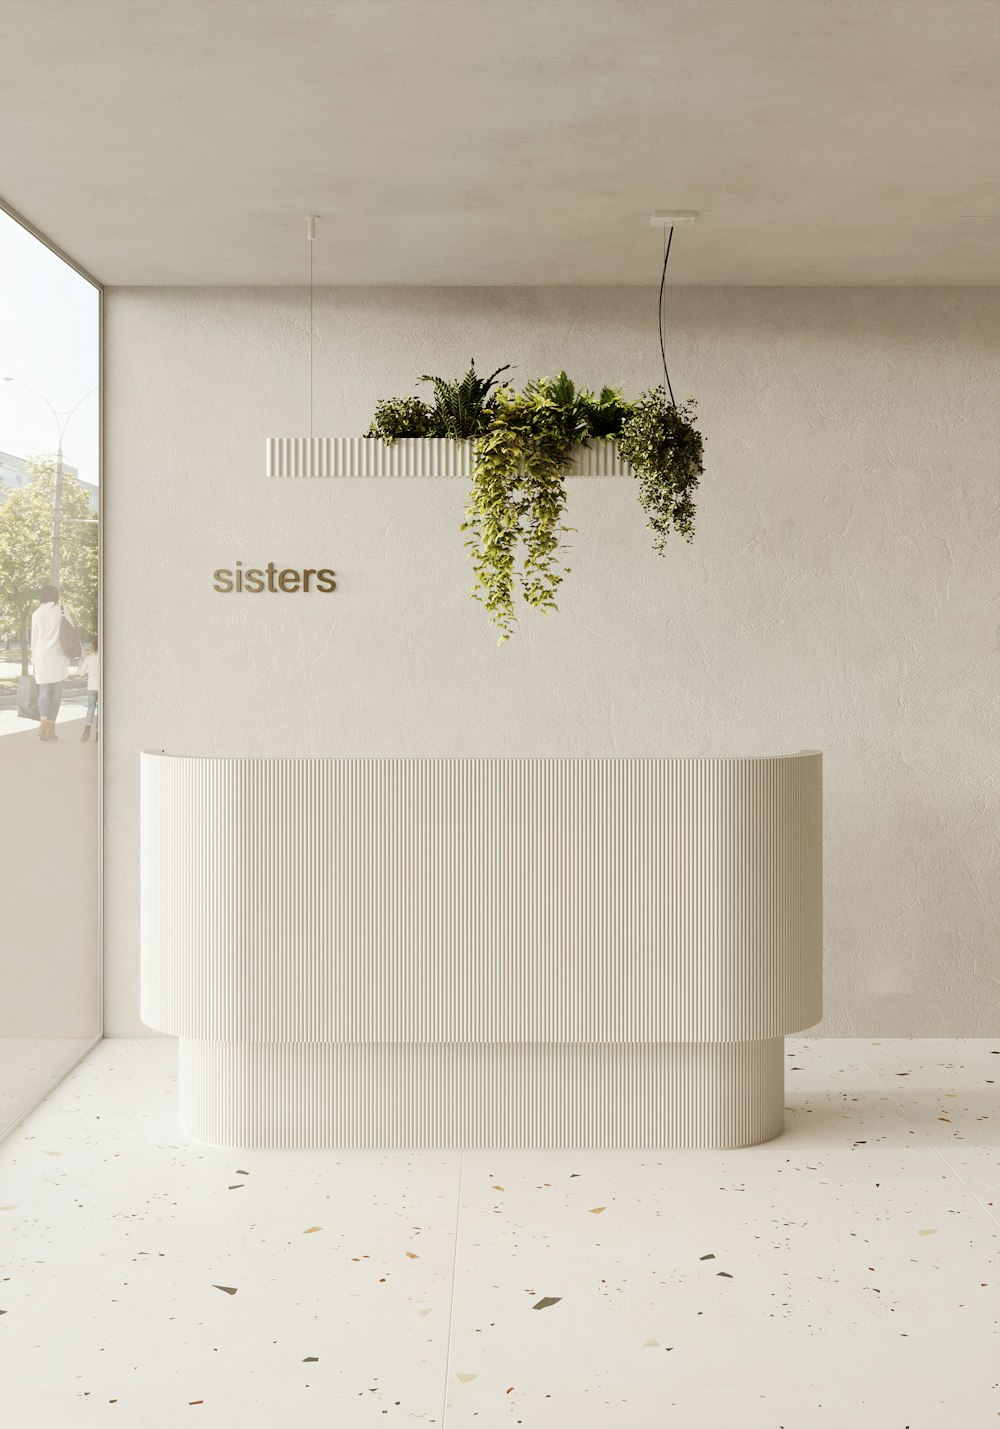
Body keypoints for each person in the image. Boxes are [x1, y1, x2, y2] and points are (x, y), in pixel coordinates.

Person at [30, 584, 73, 742]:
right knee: (56, 694)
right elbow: (71, 631)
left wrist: (34, 661)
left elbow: (34, 640)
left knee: (43, 691)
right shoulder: (63, 609)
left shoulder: (36, 614)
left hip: (42, 656)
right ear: (56, 595)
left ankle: (43, 727)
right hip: (59, 655)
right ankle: (52, 729)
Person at [78, 634, 99, 742]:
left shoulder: (89, 658)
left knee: (91, 708)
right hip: (102, 688)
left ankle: (87, 729)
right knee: (101, 710)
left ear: (92, 645)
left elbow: (81, 673)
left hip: (91, 687)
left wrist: (81, 661)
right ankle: (98, 732)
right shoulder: (105, 658)